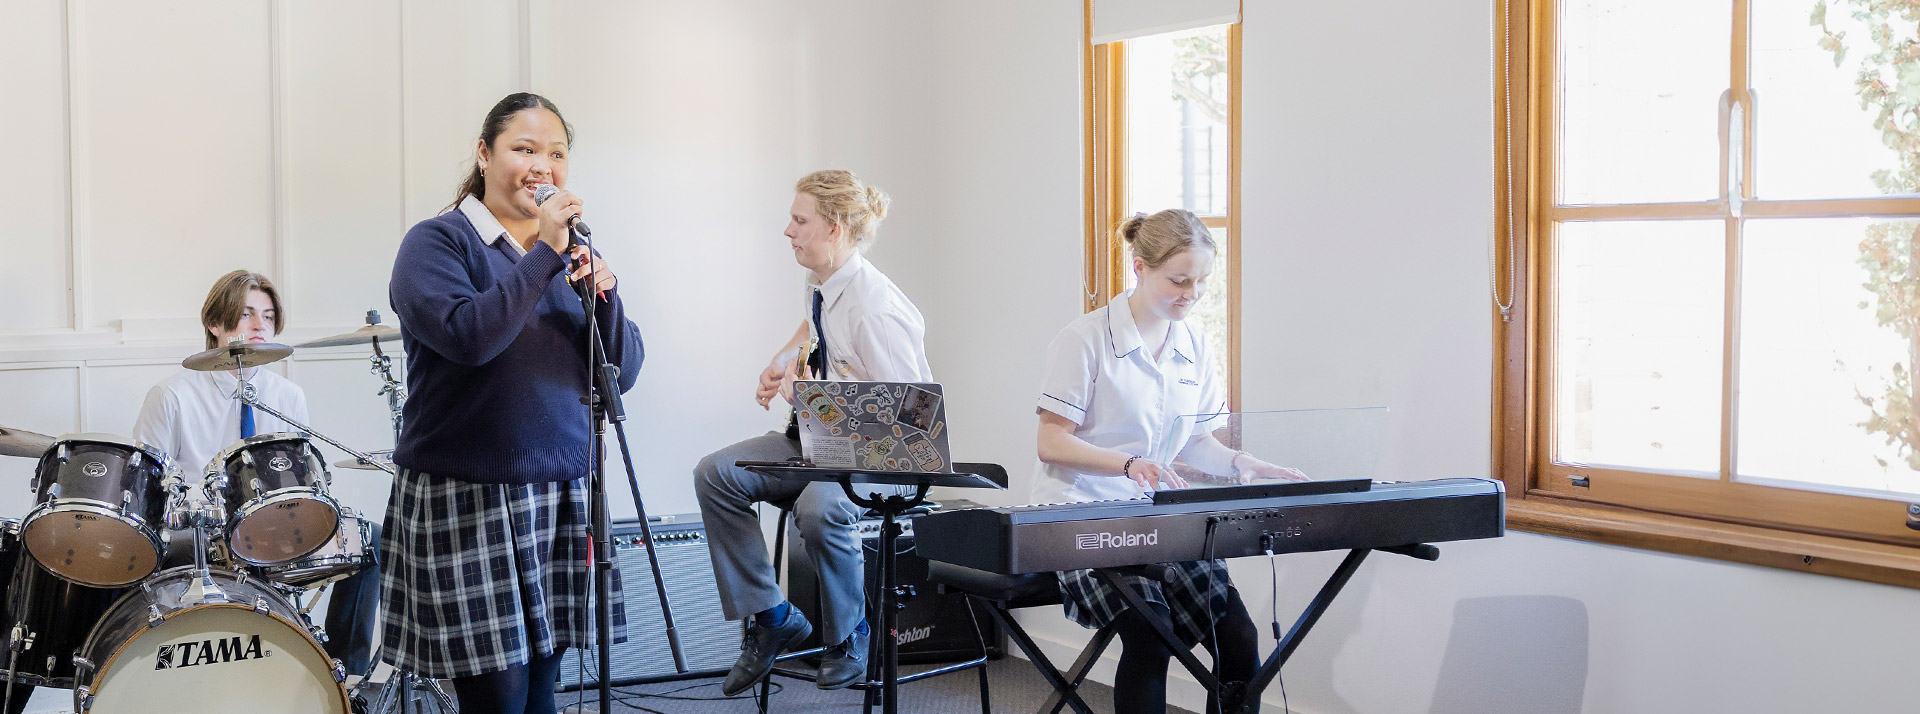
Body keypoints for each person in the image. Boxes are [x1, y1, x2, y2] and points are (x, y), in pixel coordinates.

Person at [383, 92, 642, 714]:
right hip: (468, 492)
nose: (542, 166)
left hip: (560, 486)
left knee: (542, 692)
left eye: (556, 153)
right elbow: (472, 338)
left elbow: (621, 373)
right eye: (524, 149)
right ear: (484, 154)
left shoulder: (572, 251)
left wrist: (602, 294)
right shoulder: (438, 244)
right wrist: (545, 258)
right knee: (496, 695)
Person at [1032, 209, 1304, 714]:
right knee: (1150, 632)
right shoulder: (1085, 339)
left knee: (1239, 636)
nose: (1191, 294)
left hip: (1154, 517)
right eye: (1179, 280)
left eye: (1202, 282)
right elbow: (1052, 443)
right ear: (1139, 267)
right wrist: (1128, 464)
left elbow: (1195, 441)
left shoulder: (1195, 345)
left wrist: (1246, 463)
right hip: (1078, 516)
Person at [694, 170, 930, 695]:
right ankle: (774, 617)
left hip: (888, 459)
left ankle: (850, 634)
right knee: (716, 474)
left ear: (836, 228)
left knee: (819, 508)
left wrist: (809, 400)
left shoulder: (877, 310)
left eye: (799, 221)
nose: (787, 231)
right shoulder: (821, 278)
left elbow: (911, 422)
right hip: (822, 444)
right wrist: (784, 359)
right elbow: (813, 324)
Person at [129, 270, 382, 680]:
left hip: (276, 527)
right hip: (199, 534)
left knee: (373, 538)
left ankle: (339, 672)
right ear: (215, 324)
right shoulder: (171, 395)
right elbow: (148, 486)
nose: (259, 325)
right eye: (246, 314)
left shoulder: (287, 396)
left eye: (267, 315)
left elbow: (297, 479)